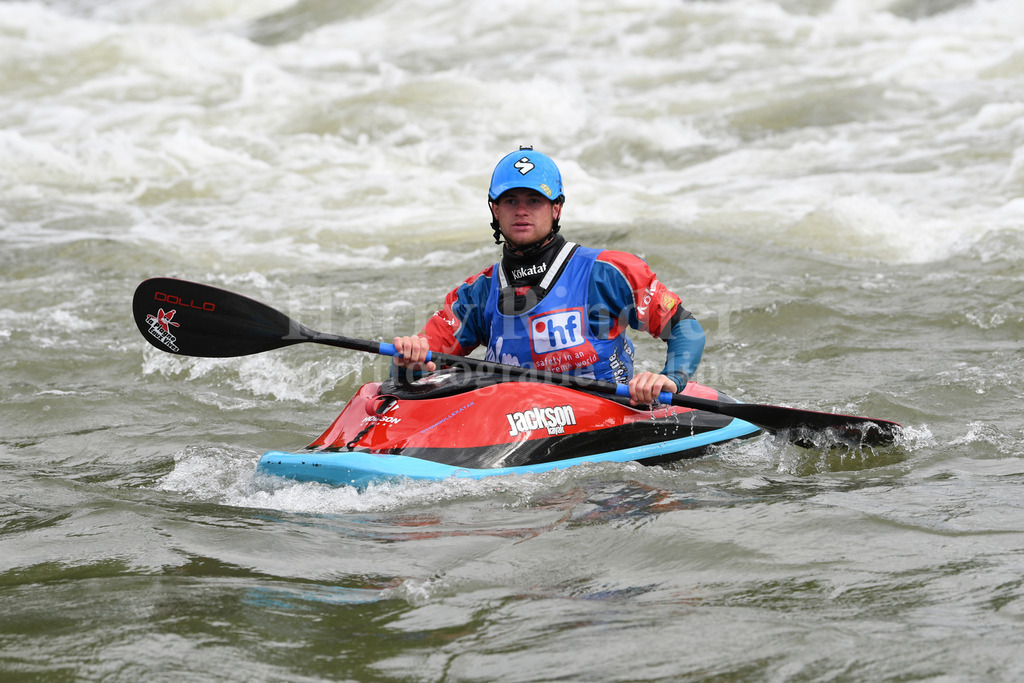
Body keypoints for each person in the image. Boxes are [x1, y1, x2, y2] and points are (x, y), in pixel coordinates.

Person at [391, 147, 705, 406]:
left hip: (608, 413)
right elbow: (415, 368)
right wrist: (410, 359)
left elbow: (685, 329)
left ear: (556, 208)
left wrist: (669, 378)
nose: (522, 211)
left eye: (534, 200)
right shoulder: (477, 293)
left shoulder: (608, 272)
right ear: (494, 209)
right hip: (513, 423)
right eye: (510, 201)